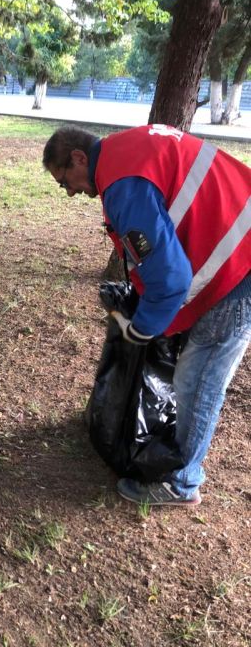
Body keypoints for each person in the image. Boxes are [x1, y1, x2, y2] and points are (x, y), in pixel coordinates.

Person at [43, 124, 251, 506]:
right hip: (240, 242)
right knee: (194, 369)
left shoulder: (124, 185)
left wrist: (142, 330)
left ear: (78, 158)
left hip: (242, 263)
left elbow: (170, 279)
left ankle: (182, 483)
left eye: (64, 182)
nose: (71, 192)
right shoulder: (124, 152)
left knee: (198, 378)